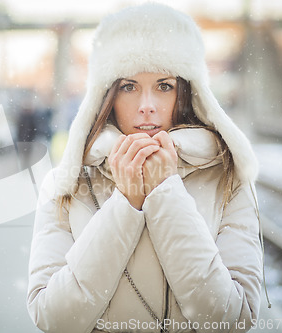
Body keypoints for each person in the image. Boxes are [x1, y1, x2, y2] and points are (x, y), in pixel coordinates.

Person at [27, 3, 265, 333]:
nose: (147, 106)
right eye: (128, 86)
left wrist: (166, 192)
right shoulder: (66, 184)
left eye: (164, 86)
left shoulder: (228, 179)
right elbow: (54, 319)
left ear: (187, 94)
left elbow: (232, 319)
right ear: (105, 96)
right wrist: (125, 204)